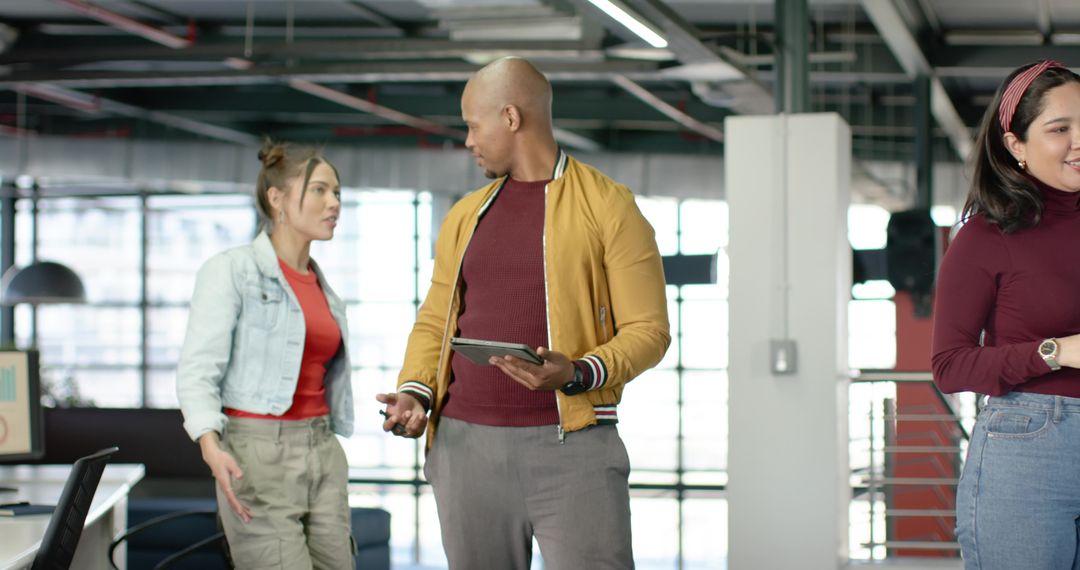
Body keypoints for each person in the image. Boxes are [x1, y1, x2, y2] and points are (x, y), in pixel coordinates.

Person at [376, 56, 670, 569]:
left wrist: (578, 372)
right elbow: (435, 320)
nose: (467, 140)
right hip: (465, 450)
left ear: (510, 118)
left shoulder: (610, 207)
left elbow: (650, 331)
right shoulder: (466, 214)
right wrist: (414, 391)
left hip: (574, 448)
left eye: (472, 125)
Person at [176, 139, 355, 569]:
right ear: (277, 198)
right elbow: (198, 370)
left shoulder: (323, 288)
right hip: (257, 456)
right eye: (319, 190)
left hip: (323, 450)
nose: (334, 203)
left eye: (337, 193)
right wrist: (209, 444)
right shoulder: (231, 270)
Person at [931, 60, 1080, 569]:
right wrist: (1056, 351)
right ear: (1016, 145)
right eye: (1060, 129)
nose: (1079, 141)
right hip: (1032, 447)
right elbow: (949, 366)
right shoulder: (984, 236)